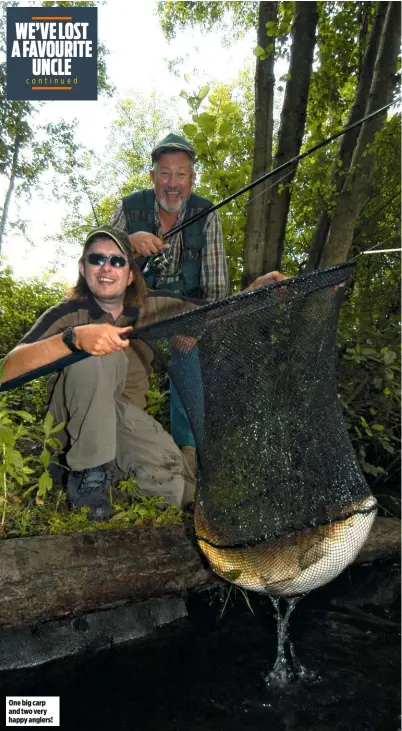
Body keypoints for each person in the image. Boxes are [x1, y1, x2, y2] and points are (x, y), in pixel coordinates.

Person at [1, 225, 285, 522]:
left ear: (130, 274)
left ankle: (109, 473)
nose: (106, 268)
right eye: (96, 259)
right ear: (83, 270)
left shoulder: (152, 306)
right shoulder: (66, 313)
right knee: (97, 356)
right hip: (68, 424)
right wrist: (72, 339)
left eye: (117, 261)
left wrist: (256, 292)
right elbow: (7, 369)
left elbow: (212, 312)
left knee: (179, 489)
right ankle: (85, 474)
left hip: (124, 422)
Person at [109, 132, 230, 475]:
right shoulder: (129, 208)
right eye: (165, 173)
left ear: (192, 180)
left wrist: (195, 328)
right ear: (152, 176)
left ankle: (189, 455)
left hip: (184, 314)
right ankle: (121, 449)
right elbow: (94, 264)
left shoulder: (208, 215)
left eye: (181, 174)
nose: (172, 183)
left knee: (189, 357)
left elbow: (217, 289)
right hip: (134, 313)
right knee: (119, 364)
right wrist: (127, 245)